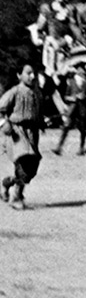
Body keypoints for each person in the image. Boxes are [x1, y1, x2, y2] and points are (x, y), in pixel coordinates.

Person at [0, 63, 43, 209]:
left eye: (34, 73)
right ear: (19, 75)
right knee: (24, 161)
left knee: (32, 167)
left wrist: (42, 122)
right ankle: (16, 197)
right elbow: (1, 108)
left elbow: (37, 113)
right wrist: (3, 123)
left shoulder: (36, 93)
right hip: (17, 132)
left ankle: (6, 184)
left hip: (32, 132)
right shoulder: (15, 92)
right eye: (28, 73)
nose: (33, 76)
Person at [54, 62, 86, 156]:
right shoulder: (71, 81)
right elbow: (66, 96)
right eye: (79, 69)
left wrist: (85, 96)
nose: (81, 71)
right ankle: (59, 147)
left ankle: (81, 148)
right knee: (66, 126)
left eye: (82, 69)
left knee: (82, 129)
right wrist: (72, 98)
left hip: (83, 108)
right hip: (72, 108)